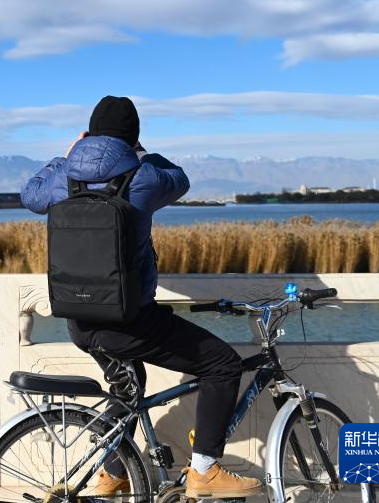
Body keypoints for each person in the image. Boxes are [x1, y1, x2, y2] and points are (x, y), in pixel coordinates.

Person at [21, 95, 262, 499]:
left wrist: (66, 157)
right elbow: (180, 178)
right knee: (222, 365)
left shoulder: (66, 177)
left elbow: (30, 195)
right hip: (129, 322)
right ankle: (204, 470)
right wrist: (141, 153)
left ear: (88, 133)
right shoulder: (142, 176)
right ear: (133, 138)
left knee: (127, 387)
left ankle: (112, 474)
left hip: (78, 321)